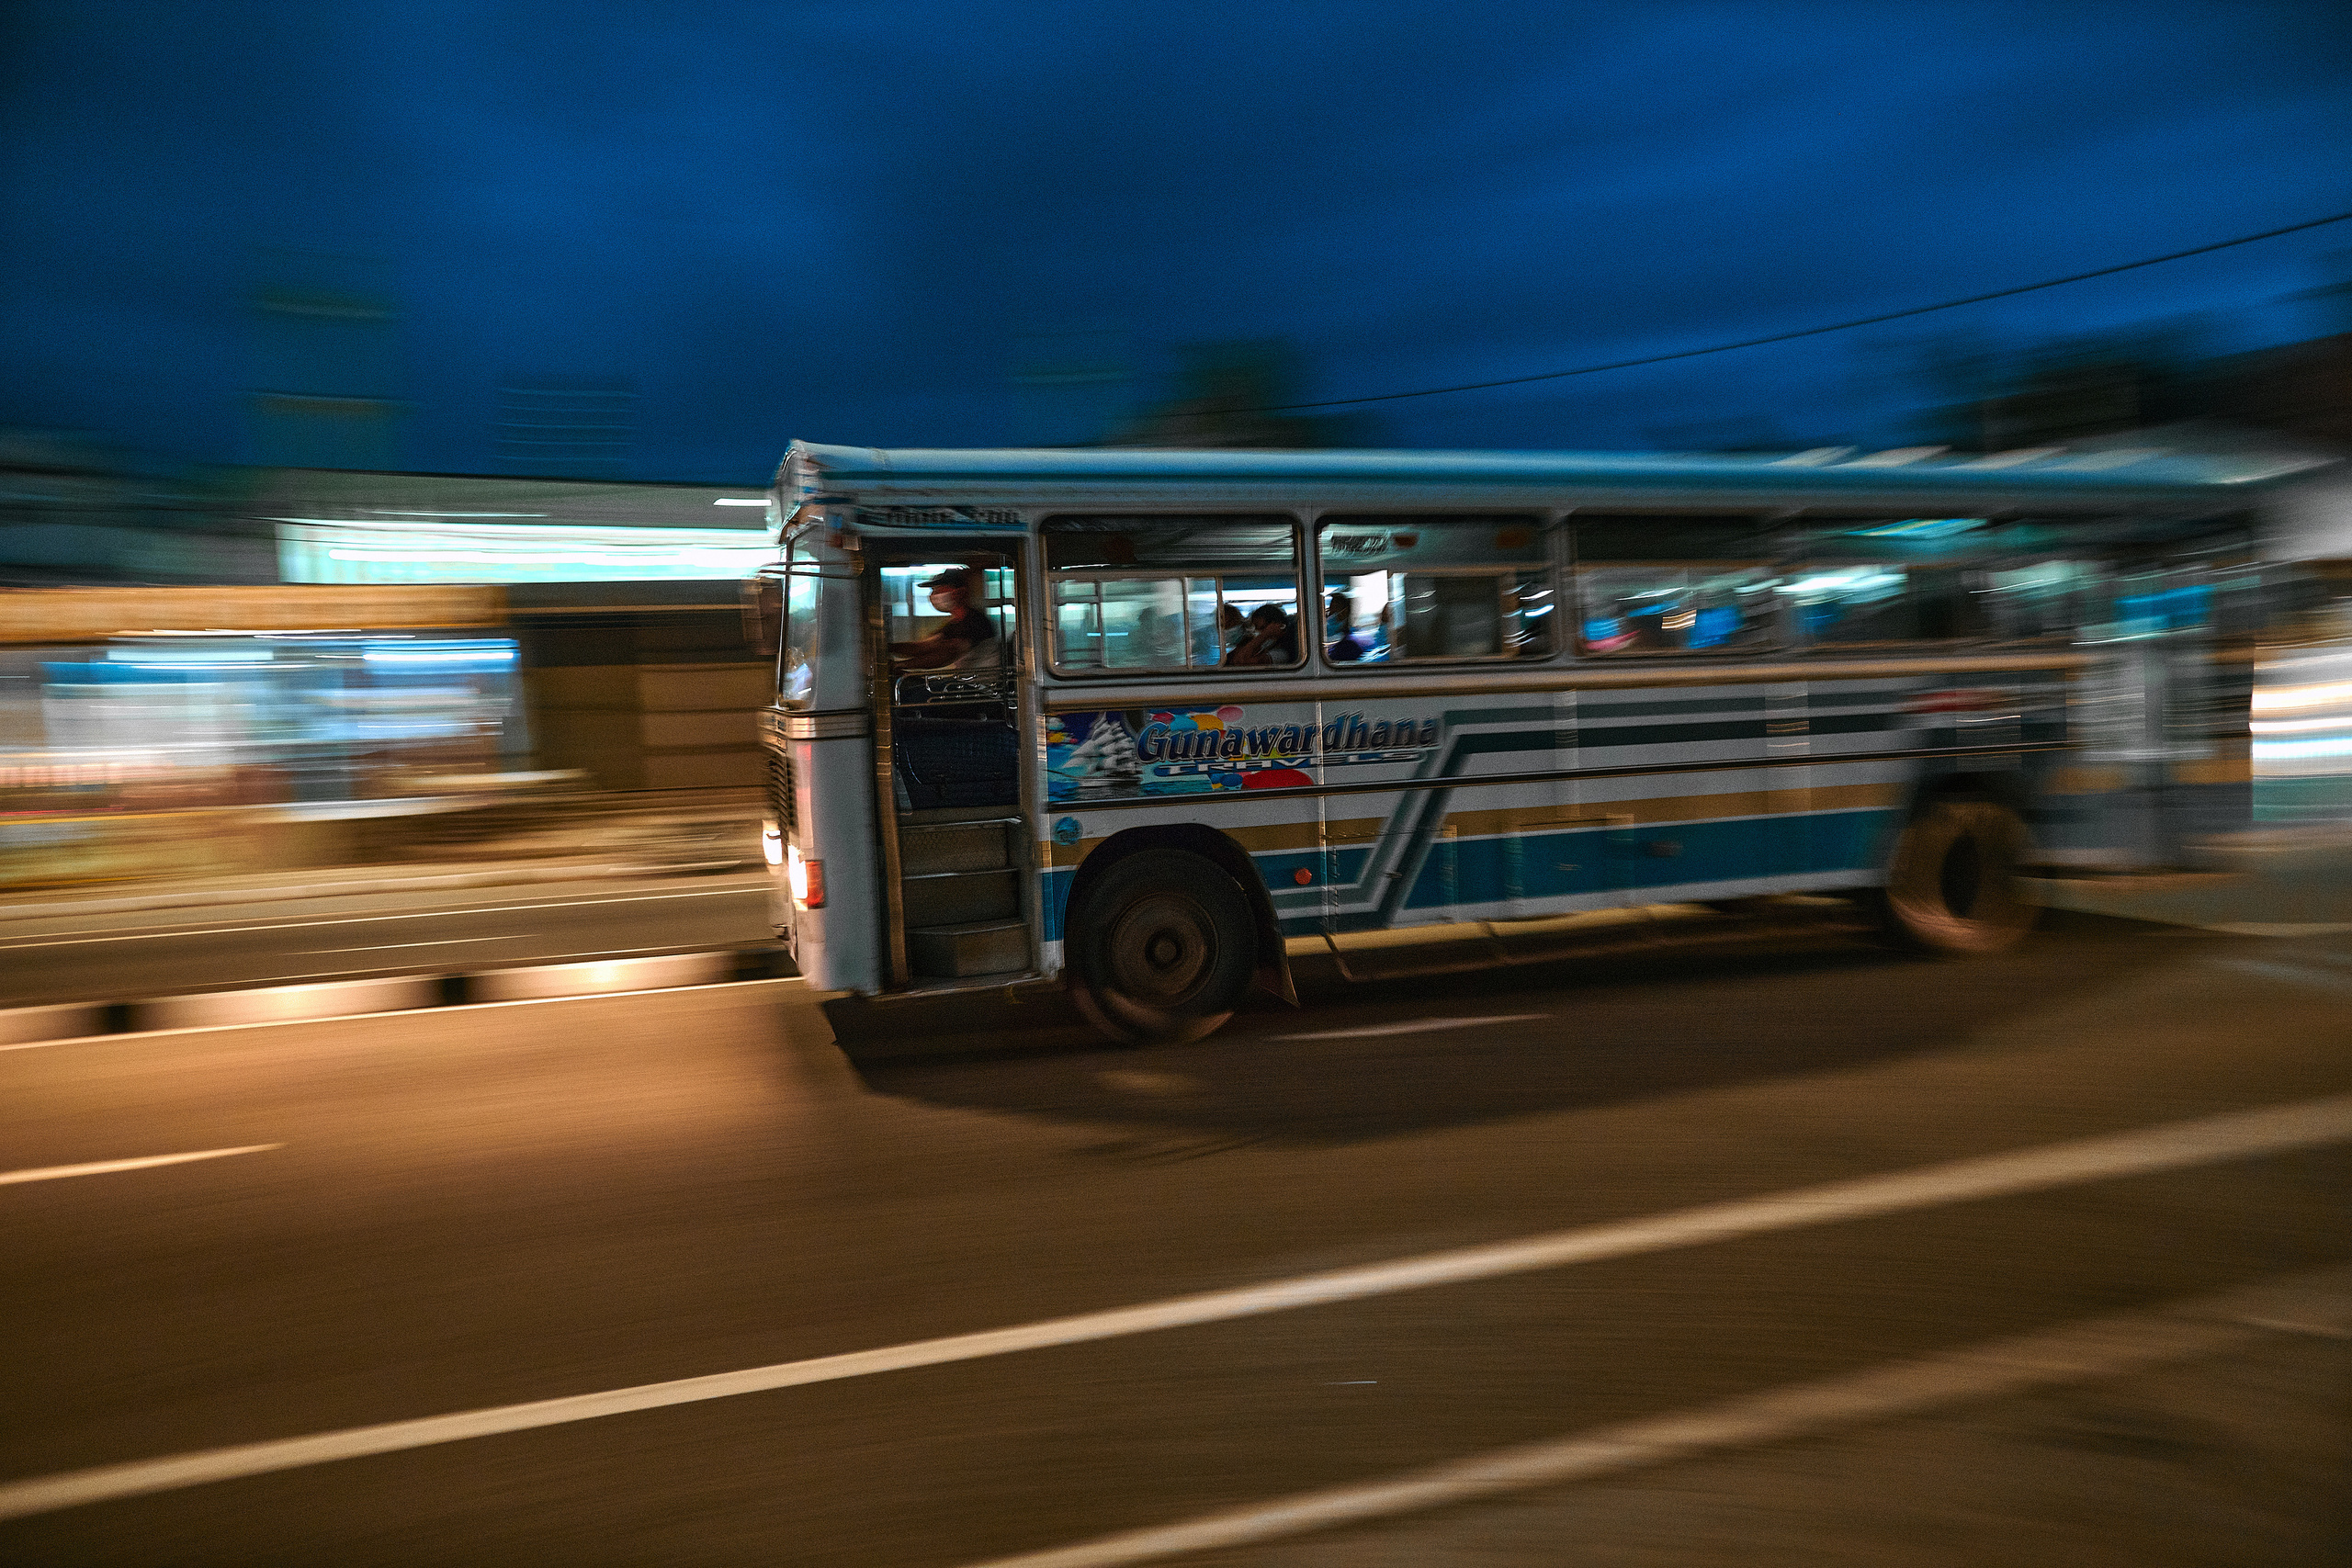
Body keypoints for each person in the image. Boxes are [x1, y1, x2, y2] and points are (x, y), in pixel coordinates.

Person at [890, 567, 1001, 670]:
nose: (933, 595)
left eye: (940, 589)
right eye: (933, 590)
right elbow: (924, 647)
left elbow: (946, 654)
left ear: (960, 592)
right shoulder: (955, 623)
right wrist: (887, 648)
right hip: (965, 682)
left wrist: (899, 665)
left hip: (979, 687)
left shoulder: (975, 622)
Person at [1224, 604, 1298, 667]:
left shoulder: (1281, 654)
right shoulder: (1264, 647)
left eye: (1262, 628)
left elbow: (1242, 660)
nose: (1258, 633)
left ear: (1277, 626)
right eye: (1256, 629)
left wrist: (1265, 635)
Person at [1325, 591, 1366, 662]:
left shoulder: (1351, 647)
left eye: (1336, 610)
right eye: (1330, 610)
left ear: (1345, 613)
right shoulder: (1324, 640)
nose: (1331, 615)